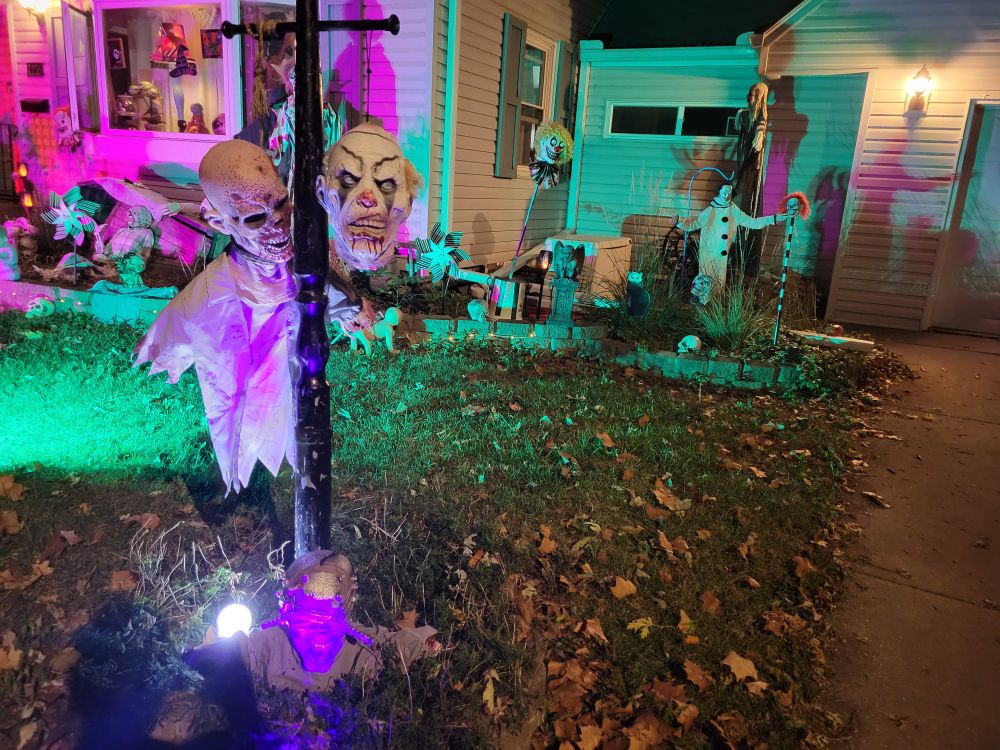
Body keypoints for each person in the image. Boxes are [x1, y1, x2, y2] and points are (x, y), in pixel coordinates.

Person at [134, 140, 362, 493]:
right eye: (255, 218)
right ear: (218, 221)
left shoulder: (296, 251)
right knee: (239, 394)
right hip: (245, 337)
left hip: (294, 357)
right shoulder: (216, 292)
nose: (278, 224)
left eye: (281, 204)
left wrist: (348, 305)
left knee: (292, 402)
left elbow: (314, 275)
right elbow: (189, 327)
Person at [677, 182, 787, 301]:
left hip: (721, 254)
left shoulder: (733, 210)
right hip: (708, 250)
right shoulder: (711, 210)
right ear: (718, 192)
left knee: (719, 278)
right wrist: (680, 221)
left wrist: (772, 219)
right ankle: (702, 300)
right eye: (724, 191)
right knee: (706, 275)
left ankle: (714, 302)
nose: (726, 194)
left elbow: (752, 222)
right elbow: (694, 224)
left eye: (728, 192)